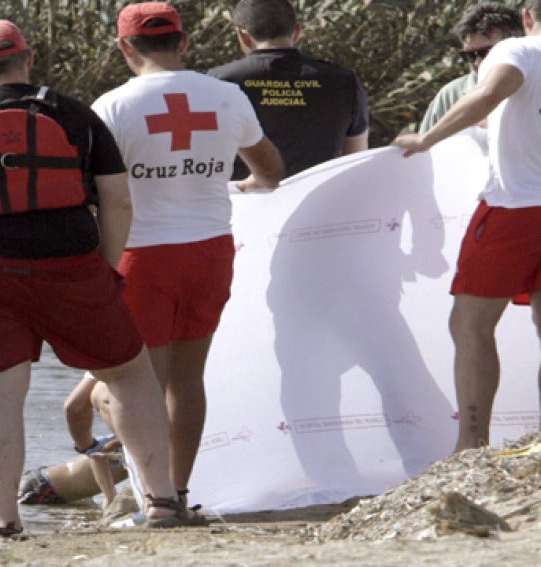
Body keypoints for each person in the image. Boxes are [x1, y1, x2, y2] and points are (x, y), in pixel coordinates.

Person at [0, 18, 194, 536]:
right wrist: (106, 266)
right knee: (129, 376)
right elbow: (118, 199)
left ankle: (6, 525)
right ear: (27, 58)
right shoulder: (75, 115)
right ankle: (163, 504)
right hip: (73, 268)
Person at [91, 2, 283, 510]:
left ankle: (151, 497)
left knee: (138, 385)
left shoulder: (111, 106)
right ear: (185, 42)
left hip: (143, 255)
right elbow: (271, 170)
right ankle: (177, 492)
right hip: (211, 251)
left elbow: (100, 193)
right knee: (188, 379)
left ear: (124, 47)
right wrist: (245, 182)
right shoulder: (226, 96)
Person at [393, 0, 541, 452]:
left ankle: (470, 446)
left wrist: (426, 137)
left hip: (516, 206)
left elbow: (493, 89)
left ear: (527, 19)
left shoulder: (518, 50)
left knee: (470, 325)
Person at [208, 0, 369, 181]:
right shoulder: (343, 82)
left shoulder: (217, 82)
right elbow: (355, 161)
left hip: (242, 206)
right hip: (317, 205)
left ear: (243, 36)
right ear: (297, 32)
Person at [418, 3, 523, 133]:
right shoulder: (451, 95)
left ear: (517, 47)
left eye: (486, 53)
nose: (477, 62)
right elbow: (424, 150)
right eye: (469, 55)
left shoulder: (535, 86)